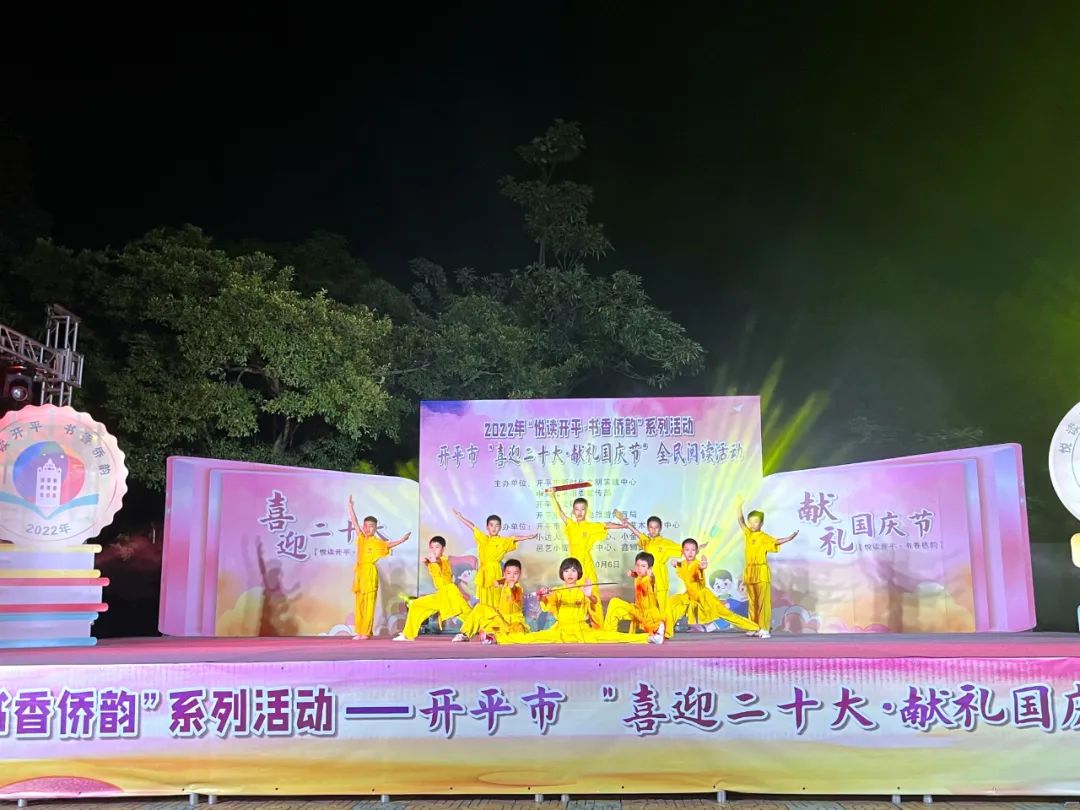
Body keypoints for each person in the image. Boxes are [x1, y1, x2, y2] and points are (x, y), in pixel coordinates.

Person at [494, 558, 655, 645]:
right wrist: (542, 595)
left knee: (612, 637)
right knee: (529, 639)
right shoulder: (557, 590)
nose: (570, 574)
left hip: (582, 630)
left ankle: (648, 638)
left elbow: (593, 603)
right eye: (566, 571)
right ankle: (496, 639)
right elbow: (547, 606)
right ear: (562, 574)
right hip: (560, 631)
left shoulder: (584, 589)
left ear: (578, 573)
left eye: (573, 570)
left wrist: (589, 595)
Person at [546, 489, 624, 626]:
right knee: (572, 595)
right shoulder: (570, 525)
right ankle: (572, 624)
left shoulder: (590, 526)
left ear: (586, 510)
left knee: (593, 595)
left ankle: (598, 627)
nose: (580, 512)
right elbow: (560, 513)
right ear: (573, 511)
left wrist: (623, 525)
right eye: (577, 509)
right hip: (572, 567)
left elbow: (606, 525)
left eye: (582, 509)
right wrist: (552, 496)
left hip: (587, 566)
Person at [667, 538, 765, 638]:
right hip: (689, 596)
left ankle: (756, 628)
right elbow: (681, 568)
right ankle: (666, 632)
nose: (690, 553)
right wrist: (675, 563)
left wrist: (702, 567)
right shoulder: (682, 564)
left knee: (726, 614)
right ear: (683, 551)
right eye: (687, 550)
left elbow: (698, 571)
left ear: (696, 552)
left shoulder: (697, 564)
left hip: (704, 597)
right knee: (671, 604)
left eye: (693, 550)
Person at [348, 495, 410, 639]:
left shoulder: (377, 543)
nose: (367, 528)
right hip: (359, 574)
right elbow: (354, 522)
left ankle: (366, 632)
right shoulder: (361, 538)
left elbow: (389, 544)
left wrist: (402, 540)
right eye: (366, 526)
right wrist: (350, 507)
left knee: (369, 604)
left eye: (371, 526)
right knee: (359, 603)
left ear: (376, 528)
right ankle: (359, 631)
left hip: (370, 573)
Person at [736, 496, 799, 634]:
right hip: (750, 571)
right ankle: (753, 627)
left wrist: (789, 538)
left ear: (761, 523)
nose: (753, 524)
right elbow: (740, 521)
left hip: (761, 571)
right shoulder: (748, 534)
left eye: (756, 522)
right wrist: (739, 506)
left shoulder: (764, 537)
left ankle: (764, 628)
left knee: (762, 601)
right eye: (751, 522)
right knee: (752, 601)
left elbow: (776, 542)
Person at [452, 509, 537, 608]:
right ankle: (486, 615)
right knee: (484, 598)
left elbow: (514, 538)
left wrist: (528, 537)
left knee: (496, 595)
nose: (494, 528)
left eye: (497, 526)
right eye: (491, 525)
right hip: (484, 572)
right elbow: (473, 527)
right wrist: (460, 517)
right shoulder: (483, 539)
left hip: (495, 571)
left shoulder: (503, 541)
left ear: (500, 528)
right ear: (487, 527)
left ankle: (496, 614)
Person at [394, 536, 471, 641]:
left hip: (450, 593)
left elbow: (439, 562)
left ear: (443, 549)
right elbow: (434, 568)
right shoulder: (432, 562)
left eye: (437, 547)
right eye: (432, 547)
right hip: (441, 595)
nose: (434, 550)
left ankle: (488, 630)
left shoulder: (443, 560)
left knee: (467, 615)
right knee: (416, 605)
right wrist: (427, 563)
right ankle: (407, 634)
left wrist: (434, 561)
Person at [615, 511, 682, 614]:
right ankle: (651, 623)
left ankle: (664, 623)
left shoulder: (666, 543)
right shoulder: (647, 541)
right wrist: (627, 524)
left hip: (660, 580)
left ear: (660, 528)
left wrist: (697, 548)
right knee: (648, 606)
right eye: (651, 527)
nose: (653, 530)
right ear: (647, 528)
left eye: (656, 527)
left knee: (663, 608)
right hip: (647, 580)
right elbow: (638, 533)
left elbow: (683, 549)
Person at [454, 558, 528, 642]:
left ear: (520, 574)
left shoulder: (518, 588)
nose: (512, 576)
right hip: (501, 620)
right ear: (504, 574)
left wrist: (512, 587)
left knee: (490, 621)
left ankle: (491, 636)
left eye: (515, 573)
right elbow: (505, 580)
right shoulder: (506, 581)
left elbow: (514, 589)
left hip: (511, 625)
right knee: (480, 607)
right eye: (509, 573)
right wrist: (499, 582)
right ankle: (465, 634)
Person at [602, 551, 665, 643]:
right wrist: (632, 573)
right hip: (637, 610)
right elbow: (637, 575)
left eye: (643, 566)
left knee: (616, 604)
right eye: (637, 565)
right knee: (614, 603)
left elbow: (648, 584)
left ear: (649, 569)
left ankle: (658, 631)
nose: (639, 568)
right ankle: (608, 634)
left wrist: (650, 576)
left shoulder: (648, 580)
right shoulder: (639, 576)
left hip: (647, 616)